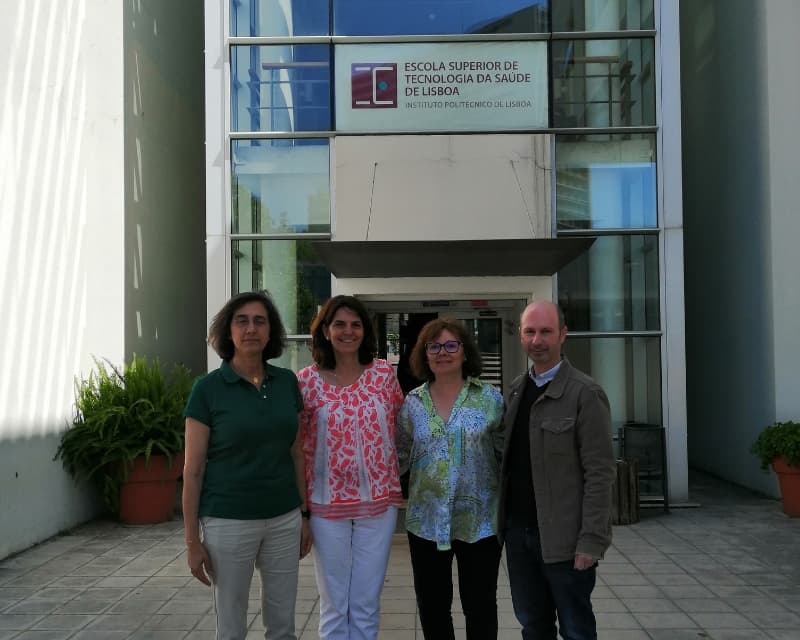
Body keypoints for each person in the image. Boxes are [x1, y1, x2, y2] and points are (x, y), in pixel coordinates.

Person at [182, 291, 312, 640]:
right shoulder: (207, 390)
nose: (251, 328)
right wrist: (192, 541)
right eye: (242, 321)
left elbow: (296, 452)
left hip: (284, 519)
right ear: (228, 331)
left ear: (271, 332)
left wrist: (303, 515)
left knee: (283, 622)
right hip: (228, 521)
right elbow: (192, 472)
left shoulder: (287, 382)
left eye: (260, 321)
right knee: (231, 623)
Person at [498, 300, 615, 640]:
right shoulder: (517, 389)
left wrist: (591, 542)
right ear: (520, 336)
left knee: (576, 630)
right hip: (519, 536)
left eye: (546, 331)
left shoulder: (585, 393)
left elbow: (600, 472)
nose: (538, 340)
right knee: (533, 627)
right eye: (530, 332)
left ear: (563, 335)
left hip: (564, 540)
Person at [297, 295, 404, 640]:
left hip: (379, 505)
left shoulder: (384, 375)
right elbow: (296, 446)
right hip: (326, 507)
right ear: (325, 331)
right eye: (339, 324)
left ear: (365, 331)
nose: (348, 331)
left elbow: (401, 428)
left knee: (366, 603)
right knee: (333, 605)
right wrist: (301, 509)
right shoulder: (305, 382)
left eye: (355, 324)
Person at [396, 317, 505, 640]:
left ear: (464, 351)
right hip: (425, 523)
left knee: (481, 606)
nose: (442, 352)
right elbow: (399, 456)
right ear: (424, 354)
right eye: (434, 346)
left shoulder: (491, 400)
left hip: (480, 523)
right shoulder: (412, 404)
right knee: (432, 607)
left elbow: (505, 456)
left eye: (450, 345)